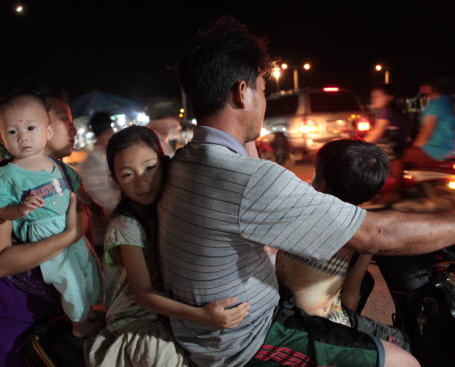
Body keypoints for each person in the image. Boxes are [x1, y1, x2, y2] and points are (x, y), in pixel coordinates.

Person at [158, 16, 455, 367]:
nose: (264, 103)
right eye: (263, 91)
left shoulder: (185, 161)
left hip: (207, 328)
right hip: (247, 338)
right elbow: (377, 233)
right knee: (405, 362)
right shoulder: (248, 179)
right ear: (242, 92)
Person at [87, 125, 249, 367]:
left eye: (150, 168)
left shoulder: (166, 205)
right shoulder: (125, 225)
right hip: (140, 323)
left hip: (168, 315)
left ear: (165, 162)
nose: (142, 181)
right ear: (115, 180)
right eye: (128, 174)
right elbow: (143, 294)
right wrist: (202, 315)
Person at [0, 91, 98, 367]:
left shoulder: (63, 173)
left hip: (62, 322)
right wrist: (69, 235)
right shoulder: (1, 177)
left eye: (30, 127)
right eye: (66, 119)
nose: (74, 128)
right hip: (19, 324)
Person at [275, 139, 408, 348]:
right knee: (402, 342)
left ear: (323, 182)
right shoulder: (362, 232)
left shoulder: (298, 208)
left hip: (282, 306)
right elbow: (350, 296)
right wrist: (348, 334)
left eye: (316, 172)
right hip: (317, 325)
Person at [79, 112, 121, 248]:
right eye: (110, 133)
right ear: (107, 133)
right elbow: (103, 200)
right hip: (106, 233)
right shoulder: (96, 160)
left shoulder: (97, 157)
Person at [403, 78, 455, 163]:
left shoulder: (435, 105)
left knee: (396, 157)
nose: (420, 88)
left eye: (423, 85)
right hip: (446, 146)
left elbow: (427, 131)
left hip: (435, 149)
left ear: (429, 88)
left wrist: (415, 146)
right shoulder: (445, 101)